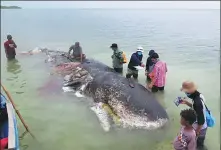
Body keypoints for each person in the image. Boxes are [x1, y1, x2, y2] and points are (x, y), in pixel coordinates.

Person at [180, 81, 208, 150]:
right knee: (199, 144)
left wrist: (197, 131)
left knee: (198, 145)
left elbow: (201, 120)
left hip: (201, 127)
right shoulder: (199, 95)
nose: (185, 93)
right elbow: (197, 108)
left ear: (190, 92)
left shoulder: (197, 102)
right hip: (203, 126)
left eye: (186, 92)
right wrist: (186, 103)